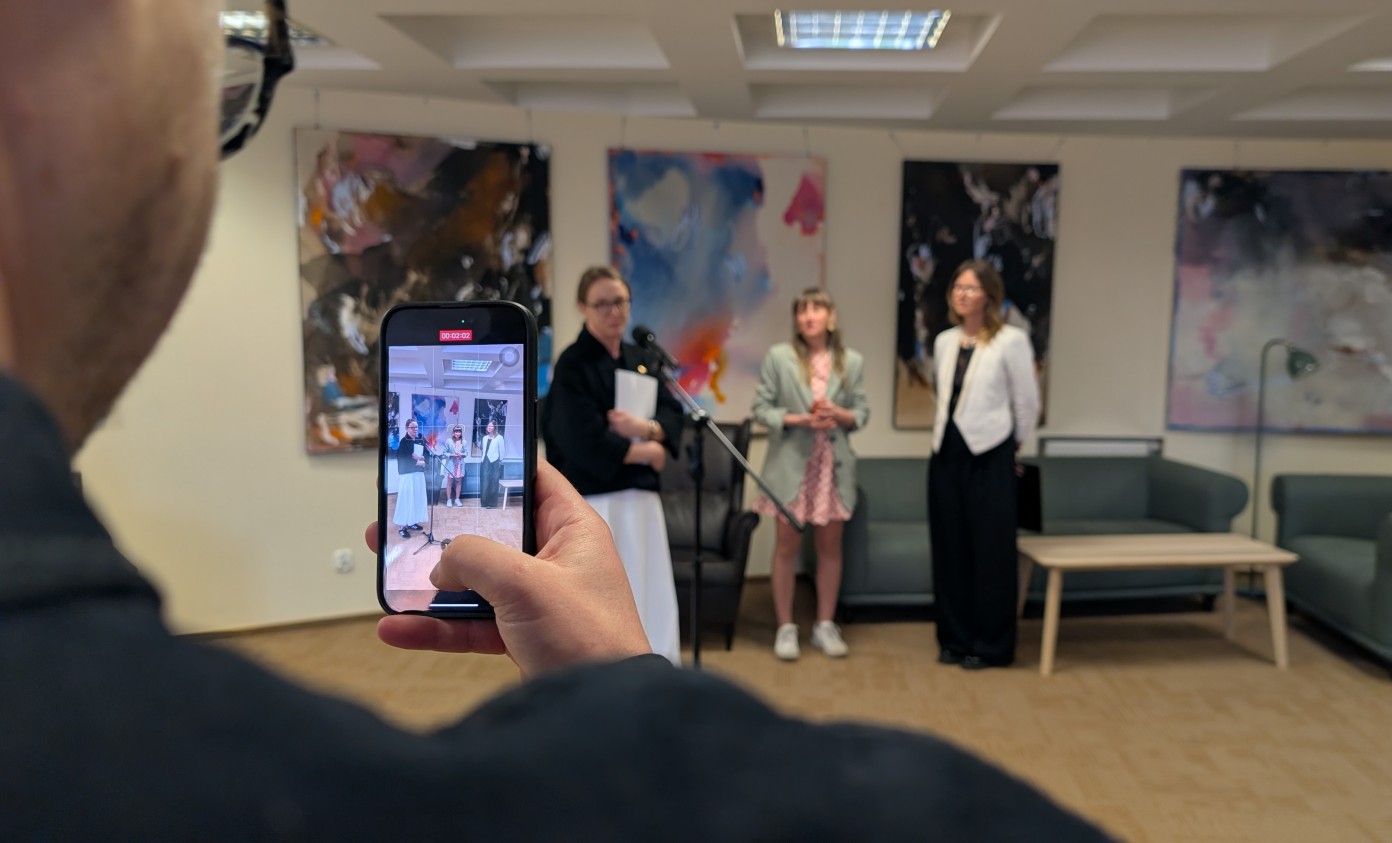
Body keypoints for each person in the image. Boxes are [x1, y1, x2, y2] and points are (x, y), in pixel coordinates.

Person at [0, 2, 1107, 837]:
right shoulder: (199, 767)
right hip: (610, 504)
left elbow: (669, 425)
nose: (619, 314)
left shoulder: (641, 357)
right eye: (241, 47)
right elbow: (572, 444)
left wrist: (618, 660)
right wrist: (630, 691)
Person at [543, 266, 685, 666]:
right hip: (597, 501)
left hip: (642, 500)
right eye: (602, 304)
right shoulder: (573, 365)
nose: (613, 312)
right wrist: (648, 452)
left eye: (620, 302)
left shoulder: (643, 358)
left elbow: (673, 415)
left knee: (650, 589)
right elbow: (579, 439)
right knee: (607, 599)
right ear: (583, 308)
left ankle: (658, 667)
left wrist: (645, 428)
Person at [928, 260, 1042, 670]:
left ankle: (991, 645)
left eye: (971, 288)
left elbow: (1027, 403)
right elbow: (943, 396)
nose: (962, 294)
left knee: (991, 553)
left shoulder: (1011, 341)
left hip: (991, 455)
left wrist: (1013, 446)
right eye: (957, 287)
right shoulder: (944, 341)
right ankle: (954, 639)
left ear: (989, 296)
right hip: (946, 455)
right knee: (949, 550)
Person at [751, 289, 870, 661]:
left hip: (832, 468)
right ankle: (786, 627)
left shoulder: (851, 361)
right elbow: (761, 408)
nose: (808, 316)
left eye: (816, 308)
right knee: (786, 548)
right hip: (791, 467)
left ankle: (824, 625)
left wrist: (840, 414)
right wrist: (798, 419)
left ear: (830, 316)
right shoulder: (779, 357)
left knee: (829, 549)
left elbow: (862, 413)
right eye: (801, 310)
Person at [393, 418, 428, 538]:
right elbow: (403, 459)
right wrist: (419, 462)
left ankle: (412, 522)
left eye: (416, 427)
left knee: (416, 498)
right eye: (412, 427)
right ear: (407, 428)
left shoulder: (420, 440)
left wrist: (422, 459)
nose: (415, 429)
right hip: (408, 475)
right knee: (406, 499)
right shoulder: (404, 442)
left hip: (418, 474)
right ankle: (402, 527)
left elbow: (426, 454)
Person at [479, 418, 505, 507]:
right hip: (485, 462)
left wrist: (500, 461)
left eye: (491, 426)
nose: (489, 427)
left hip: (495, 462)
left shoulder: (499, 438)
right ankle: (484, 503)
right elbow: (483, 450)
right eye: (488, 426)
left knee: (494, 482)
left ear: (495, 427)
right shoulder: (484, 438)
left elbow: (502, 451)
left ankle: (492, 504)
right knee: (485, 482)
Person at [442, 424, 466, 507]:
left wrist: (461, 454)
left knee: (459, 483)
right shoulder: (449, 441)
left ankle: (457, 499)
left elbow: (466, 453)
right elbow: (444, 453)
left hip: (460, 465)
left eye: (459, 432)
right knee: (449, 483)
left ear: (461, 433)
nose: (457, 433)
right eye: (456, 431)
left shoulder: (464, 442)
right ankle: (449, 500)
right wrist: (452, 455)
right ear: (453, 432)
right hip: (451, 465)